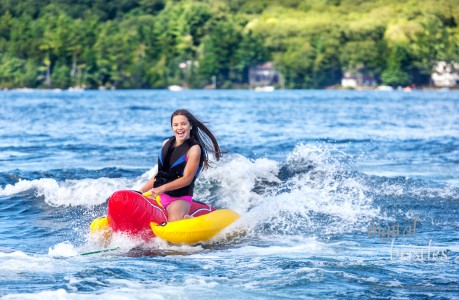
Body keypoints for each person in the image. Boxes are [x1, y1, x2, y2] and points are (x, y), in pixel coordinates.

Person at [139, 109, 222, 221]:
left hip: (179, 199)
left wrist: (161, 188)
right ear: (172, 127)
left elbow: (187, 179)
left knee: (172, 227)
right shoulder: (166, 144)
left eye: (183, 124)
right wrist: (141, 191)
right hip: (159, 196)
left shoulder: (194, 149)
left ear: (190, 126)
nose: (179, 128)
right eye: (175, 125)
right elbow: (160, 174)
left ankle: (187, 219)